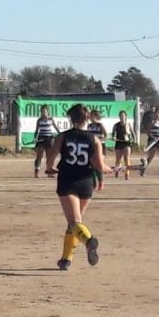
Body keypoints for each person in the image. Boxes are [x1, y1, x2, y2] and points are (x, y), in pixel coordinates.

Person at [45, 103, 111, 271]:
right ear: (87, 118)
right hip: (86, 183)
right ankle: (66, 259)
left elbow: (50, 157)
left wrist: (50, 168)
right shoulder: (94, 139)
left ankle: (89, 241)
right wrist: (108, 169)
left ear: (71, 119)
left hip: (68, 181)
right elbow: (99, 166)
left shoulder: (63, 137)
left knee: (74, 223)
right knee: (74, 223)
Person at [33, 105, 61, 178]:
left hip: (49, 139)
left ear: (47, 112)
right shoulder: (39, 120)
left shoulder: (51, 119)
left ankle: (49, 172)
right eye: (42, 112)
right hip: (41, 139)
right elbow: (36, 130)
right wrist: (35, 138)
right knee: (39, 156)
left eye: (44, 111)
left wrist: (60, 134)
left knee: (49, 156)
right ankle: (36, 172)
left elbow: (56, 127)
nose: (43, 113)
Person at [141, 108, 159, 178]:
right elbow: (148, 130)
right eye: (156, 113)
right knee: (151, 156)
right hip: (153, 140)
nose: (158, 115)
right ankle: (143, 169)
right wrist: (151, 137)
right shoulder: (153, 122)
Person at [112, 110, 136, 180]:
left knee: (127, 159)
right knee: (118, 160)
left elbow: (133, 133)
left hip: (127, 143)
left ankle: (127, 174)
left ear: (125, 117)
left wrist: (134, 139)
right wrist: (113, 137)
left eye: (123, 115)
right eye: (120, 115)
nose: (122, 117)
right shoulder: (116, 125)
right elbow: (113, 134)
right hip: (119, 143)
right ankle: (117, 170)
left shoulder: (128, 124)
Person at [87, 110, 108, 191]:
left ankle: (101, 182)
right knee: (92, 166)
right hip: (92, 147)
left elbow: (106, 135)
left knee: (98, 165)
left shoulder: (100, 125)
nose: (89, 117)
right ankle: (93, 183)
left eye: (91, 115)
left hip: (101, 147)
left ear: (95, 116)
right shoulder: (89, 126)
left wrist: (99, 140)